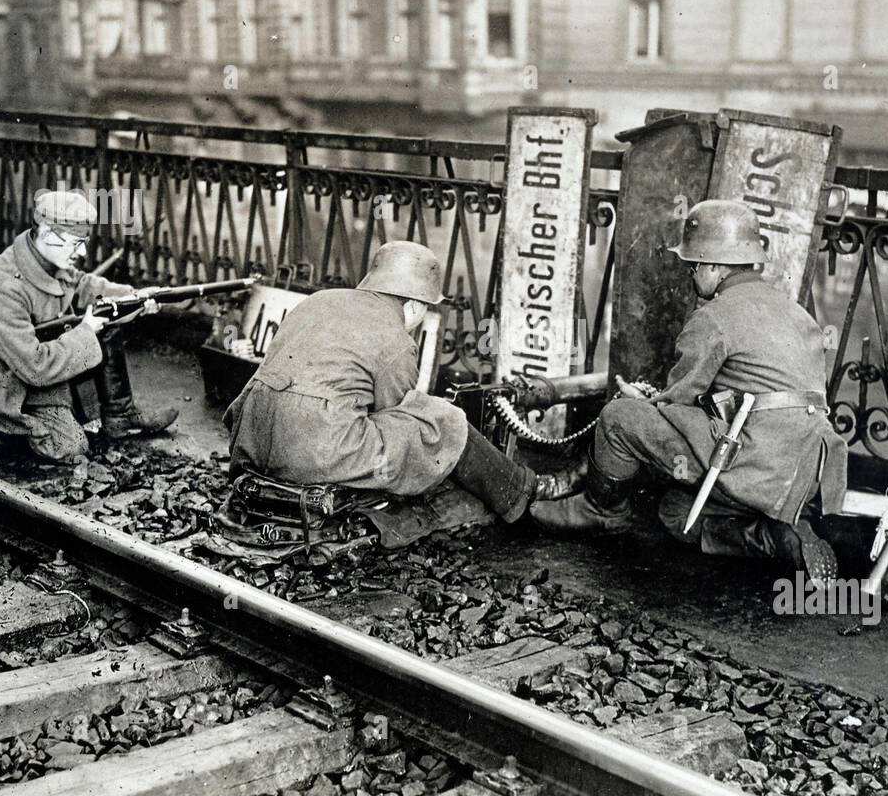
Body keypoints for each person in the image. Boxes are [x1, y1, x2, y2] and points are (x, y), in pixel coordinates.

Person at [530, 199, 847, 579]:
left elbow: (677, 397)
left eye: (694, 265)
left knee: (619, 418)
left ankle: (601, 511)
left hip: (749, 463)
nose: (692, 274)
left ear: (715, 266)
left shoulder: (713, 317)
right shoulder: (797, 313)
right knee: (674, 513)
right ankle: (776, 536)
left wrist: (646, 401)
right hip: (803, 473)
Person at [226, 240, 576, 524]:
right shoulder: (396, 338)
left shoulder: (319, 300)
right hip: (311, 453)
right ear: (412, 305)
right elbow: (396, 411)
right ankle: (522, 492)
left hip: (252, 440)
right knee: (443, 421)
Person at [0, 190, 178, 464]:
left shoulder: (46, 258)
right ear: (46, 233)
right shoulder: (0, 289)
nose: (82, 252)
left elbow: (83, 285)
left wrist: (136, 298)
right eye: (76, 243)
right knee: (70, 447)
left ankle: (120, 415)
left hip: (25, 377)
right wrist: (86, 332)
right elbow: (35, 366)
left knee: (107, 315)